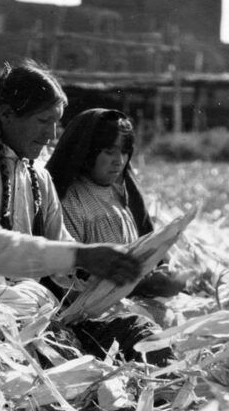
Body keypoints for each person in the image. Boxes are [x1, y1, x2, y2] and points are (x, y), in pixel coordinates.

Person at [0, 62, 142, 321]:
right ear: (7, 114)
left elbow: (62, 251)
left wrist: (100, 269)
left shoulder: (38, 177)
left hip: (14, 302)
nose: (51, 134)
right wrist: (81, 255)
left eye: (56, 123)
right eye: (43, 121)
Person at [45, 108, 184, 364]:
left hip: (132, 303)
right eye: (109, 151)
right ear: (87, 152)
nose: (118, 161)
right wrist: (142, 284)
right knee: (148, 338)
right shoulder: (70, 202)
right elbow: (71, 286)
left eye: (124, 151)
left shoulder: (121, 194)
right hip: (94, 318)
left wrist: (168, 275)